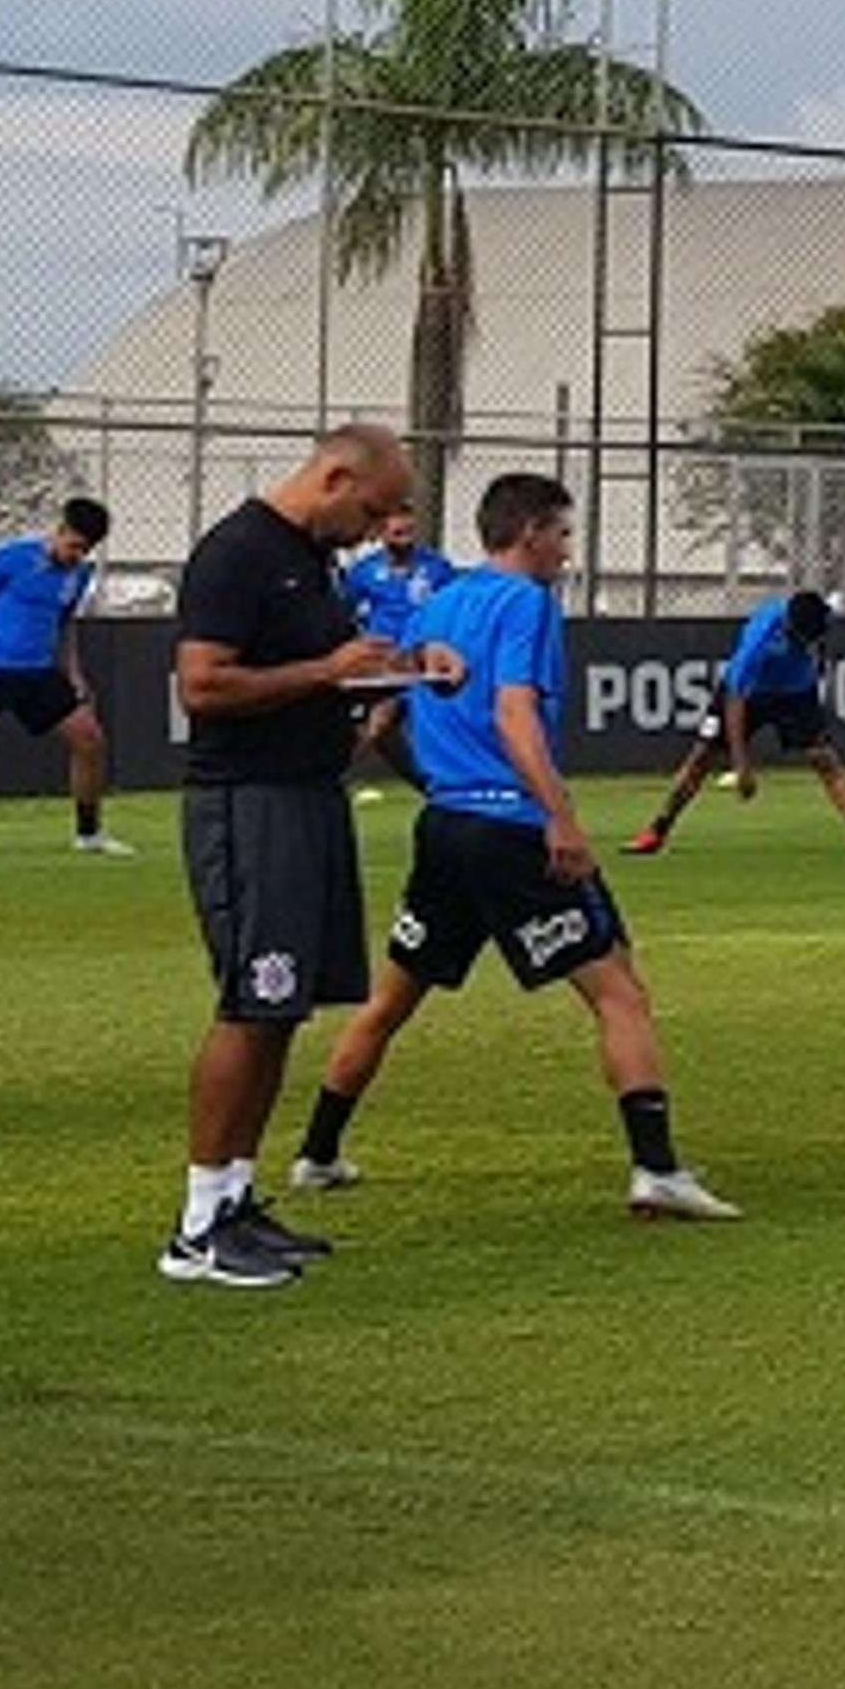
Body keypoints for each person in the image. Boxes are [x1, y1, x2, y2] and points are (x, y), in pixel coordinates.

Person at [282, 475, 741, 1221]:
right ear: (528, 531)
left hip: (448, 831)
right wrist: (559, 815)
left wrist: (436, 785)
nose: (567, 550)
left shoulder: (439, 603)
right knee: (620, 994)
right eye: (562, 534)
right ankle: (656, 1168)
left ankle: (317, 1153)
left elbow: (383, 719)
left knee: (392, 999)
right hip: (512, 830)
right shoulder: (526, 603)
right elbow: (515, 713)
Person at [165, 425, 439, 1290]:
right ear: (333, 476)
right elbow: (203, 685)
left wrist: (405, 671)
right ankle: (198, 1224)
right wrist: (325, 672)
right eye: (369, 508)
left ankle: (238, 1197)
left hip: (307, 795)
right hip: (248, 803)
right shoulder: (238, 552)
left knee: (283, 1005)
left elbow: (326, 668)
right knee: (252, 999)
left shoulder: (312, 560)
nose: (372, 529)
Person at [622, 590, 845, 860]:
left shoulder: (817, 616)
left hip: (796, 691)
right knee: (701, 757)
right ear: (790, 628)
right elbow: (736, 701)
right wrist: (741, 764)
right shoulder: (760, 639)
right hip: (748, 695)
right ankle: (657, 831)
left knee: (824, 758)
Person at [0, 496, 130, 856]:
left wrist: (74, 674)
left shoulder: (78, 575)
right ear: (59, 530)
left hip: (39, 673)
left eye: (86, 549)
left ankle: (88, 834)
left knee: (90, 741)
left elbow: (64, 626)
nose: (78, 554)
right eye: (74, 545)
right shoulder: (11, 558)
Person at [341, 503, 459, 787]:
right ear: (381, 532)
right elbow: (344, 613)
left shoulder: (436, 568)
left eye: (407, 526)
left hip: (425, 661)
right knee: (380, 727)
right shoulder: (363, 572)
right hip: (386, 664)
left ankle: (447, 785)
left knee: (436, 727)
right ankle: (428, 786)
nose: (401, 532)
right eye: (395, 528)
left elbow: (452, 609)